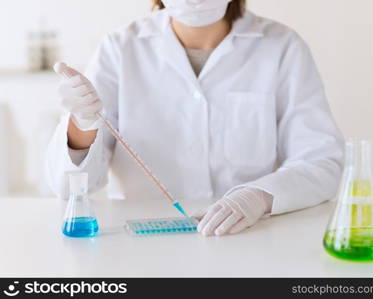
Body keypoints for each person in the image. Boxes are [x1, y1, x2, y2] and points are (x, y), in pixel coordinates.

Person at [46, 0, 345, 236]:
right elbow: (67, 186)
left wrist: (259, 196)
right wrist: (82, 126)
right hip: (143, 242)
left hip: (248, 238)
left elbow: (321, 162)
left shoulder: (281, 46)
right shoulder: (120, 48)